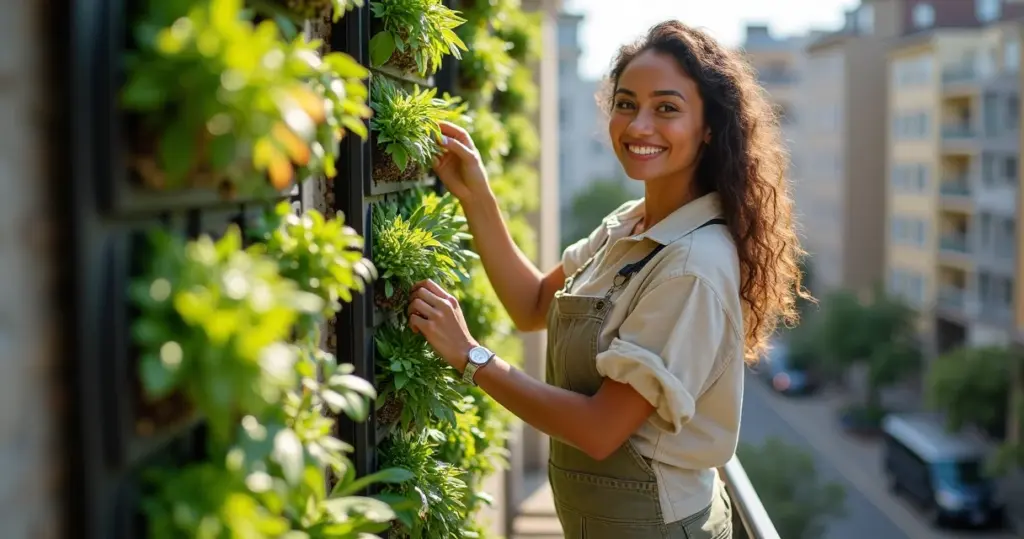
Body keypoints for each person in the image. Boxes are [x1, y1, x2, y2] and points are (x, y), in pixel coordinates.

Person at [406, 20, 808, 538]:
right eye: (625, 103)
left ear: (708, 126)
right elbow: (530, 305)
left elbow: (600, 431)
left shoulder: (692, 265)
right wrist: (477, 197)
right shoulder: (630, 223)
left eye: (666, 108)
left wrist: (470, 357)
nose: (639, 125)